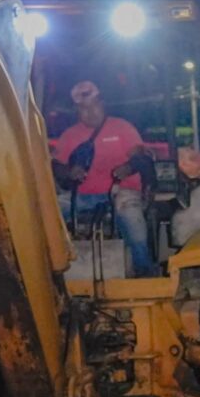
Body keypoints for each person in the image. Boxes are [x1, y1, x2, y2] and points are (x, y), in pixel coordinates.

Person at [53, 80, 153, 277]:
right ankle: (54, 268)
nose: (90, 112)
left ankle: (143, 270)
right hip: (82, 196)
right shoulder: (70, 135)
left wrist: (129, 167)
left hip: (120, 192)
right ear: (76, 111)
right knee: (49, 211)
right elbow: (56, 164)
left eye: (94, 106)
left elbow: (140, 157)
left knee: (131, 215)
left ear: (102, 104)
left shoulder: (122, 128)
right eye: (83, 109)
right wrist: (69, 171)